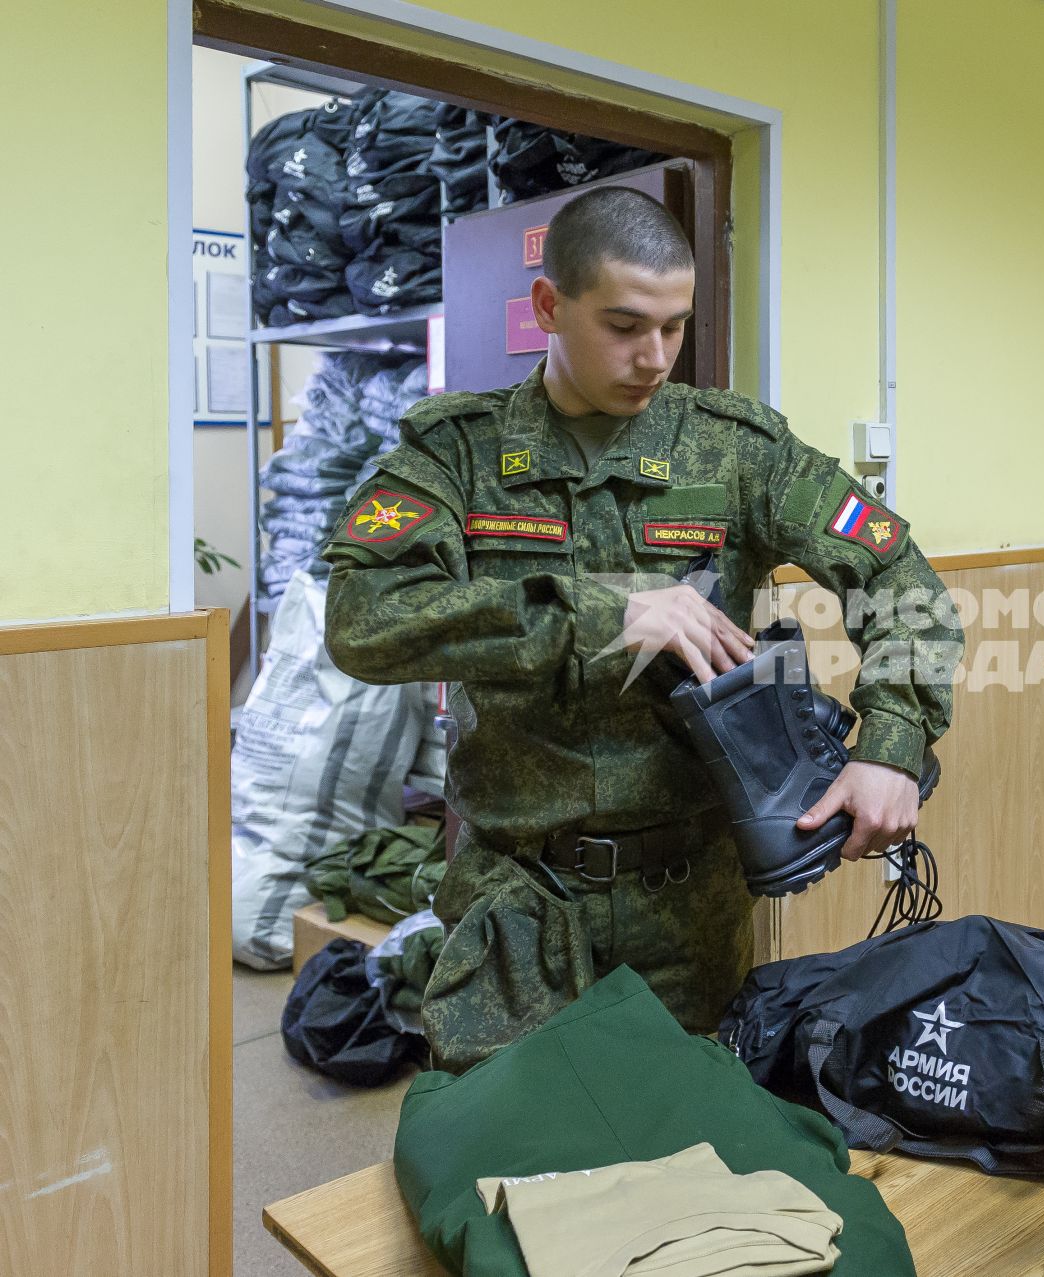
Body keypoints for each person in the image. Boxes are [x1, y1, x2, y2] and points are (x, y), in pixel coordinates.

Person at [321, 186, 959, 1073]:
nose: (655, 356)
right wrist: (602, 611)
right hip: (517, 902)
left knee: (688, 1159)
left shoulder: (734, 452)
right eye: (624, 325)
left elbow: (901, 575)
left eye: (675, 326)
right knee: (512, 1167)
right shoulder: (456, 455)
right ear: (551, 306)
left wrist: (890, 743)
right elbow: (363, 622)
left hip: (691, 908)